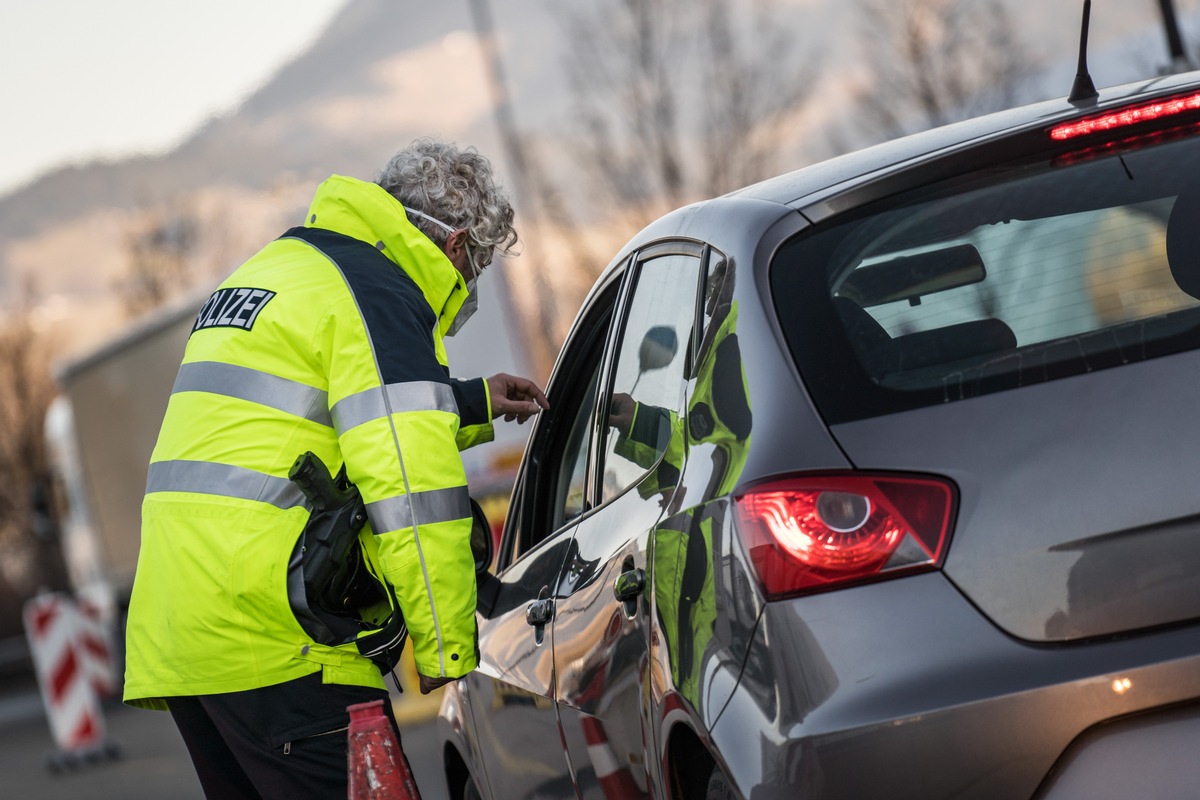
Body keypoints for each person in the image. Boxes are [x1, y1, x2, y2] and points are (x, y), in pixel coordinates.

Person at [122, 138, 549, 799]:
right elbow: (413, 487)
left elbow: (317, 420)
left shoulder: (289, 266)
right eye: (476, 269)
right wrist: (446, 650)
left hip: (185, 629)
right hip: (276, 636)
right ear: (456, 245)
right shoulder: (380, 294)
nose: (466, 292)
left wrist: (474, 401)